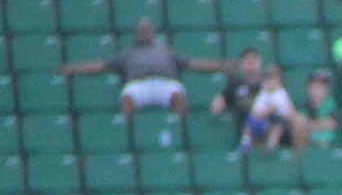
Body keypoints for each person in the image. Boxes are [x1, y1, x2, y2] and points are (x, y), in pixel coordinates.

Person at [59, 19, 230, 124]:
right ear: (136, 34)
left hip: (166, 84)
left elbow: (193, 64)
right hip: (138, 86)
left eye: (148, 30)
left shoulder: (166, 51)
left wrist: (221, 66)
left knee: (179, 98)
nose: (145, 33)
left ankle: (183, 133)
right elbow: (103, 66)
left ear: (154, 32)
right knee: (127, 99)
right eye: (141, 30)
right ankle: (129, 135)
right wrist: (74, 69)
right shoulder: (128, 53)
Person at [242, 64, 297, 153]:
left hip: (279, 118)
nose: (270, 82)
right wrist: (260, 114)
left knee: (277, 126)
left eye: (273, 79)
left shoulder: (281, 93)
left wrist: (268, 111)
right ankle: (246, 141)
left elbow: (281, 109)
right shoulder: (263, 94)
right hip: (264, 118)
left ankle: (271, 144)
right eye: (268, 79)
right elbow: (256, 109)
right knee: (249, 122)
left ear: (279, 81)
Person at [211, 47, 266, 123]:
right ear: (242, 65)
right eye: (247, 62)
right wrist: (218, 104)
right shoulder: (235, 85)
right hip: (241, 126)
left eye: (253, 62)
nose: (250, 66)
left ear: (260, 63)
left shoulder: (270, 82)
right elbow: (220, 102)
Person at [298, 69, 337, 147]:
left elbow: (332, 124)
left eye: (322, 87)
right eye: (314, 86)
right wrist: (321, 125)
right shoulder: (303, 107)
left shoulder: (333, 105)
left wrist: (311, 125)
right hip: (307, 139)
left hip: (329, 137)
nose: (317, 90)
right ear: (308, 88)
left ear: (328, 89)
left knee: (324, 141)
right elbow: (301, 126)